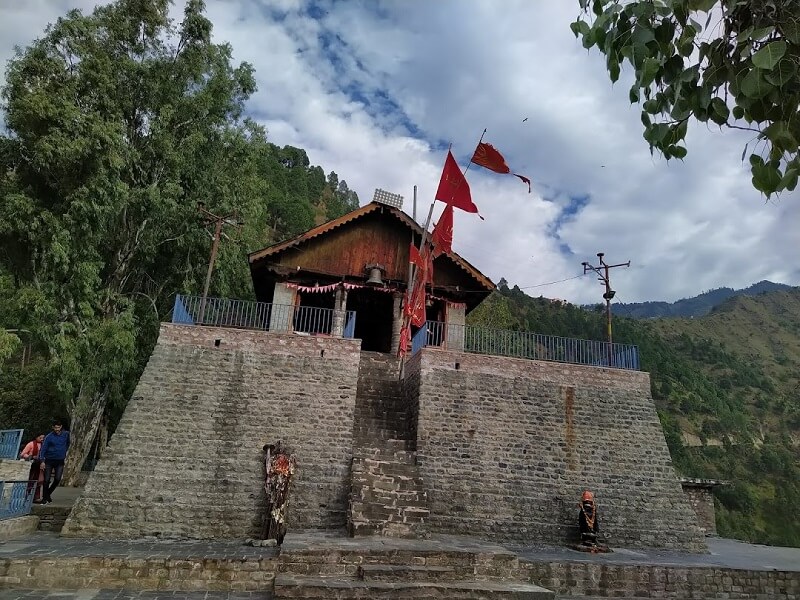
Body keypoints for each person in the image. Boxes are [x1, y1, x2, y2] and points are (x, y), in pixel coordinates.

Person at [38, 420, 70, 504]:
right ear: (53, 427)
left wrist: (64, 451)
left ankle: (47, 493)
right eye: (55, 428)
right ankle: (44, 498)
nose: (57, 429)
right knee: (46, 479)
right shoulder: (49, 437)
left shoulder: (66, 434)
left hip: (60, 460)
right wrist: (42, 461)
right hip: (49, 460)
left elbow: (68, 443)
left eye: (58, 427)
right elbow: (43, 449)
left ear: (61, 427)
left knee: (57, 479)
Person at [20, 434, 45, 503]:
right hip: (32, 465)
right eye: (40, 437)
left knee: (38, 481)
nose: (42, 439)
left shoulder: (44, 445)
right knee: (31, 480)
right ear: (36, 437)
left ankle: (36, 497)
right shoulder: (31, 444)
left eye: (43, 438)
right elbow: (23, 454)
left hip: (39, 465)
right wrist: (30, 456)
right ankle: (26, 496)